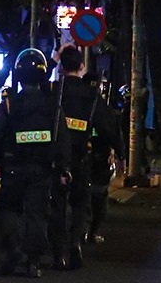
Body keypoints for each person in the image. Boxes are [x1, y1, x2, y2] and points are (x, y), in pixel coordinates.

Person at [0, 47, 57, 277]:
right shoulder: (52, 105)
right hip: (42, 169)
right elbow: (62, 137)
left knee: (7, 208)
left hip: (14, 168)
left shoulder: (8, 104)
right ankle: (34, 261)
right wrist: (64, 166)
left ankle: (14, 248)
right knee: (37, 213)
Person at [49, 43, 106, 270]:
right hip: (82, 156)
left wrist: (55, 57)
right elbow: (107, 124)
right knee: (81, 203)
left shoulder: (54, 90)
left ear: (61, 68)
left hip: (57, 157)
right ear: (82, 66)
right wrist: (118, 150)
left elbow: (34, 80)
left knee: (57, 204)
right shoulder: (91, 95)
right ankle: (76, 242)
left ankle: (58, 253)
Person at [86, 83, 127, 245]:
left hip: (80, 157)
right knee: (98, 195)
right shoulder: (104, 109)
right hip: (99, 158)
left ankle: (80, 231)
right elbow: (114, 134)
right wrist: (120, 154)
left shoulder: (73, 104)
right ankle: (92, 231)